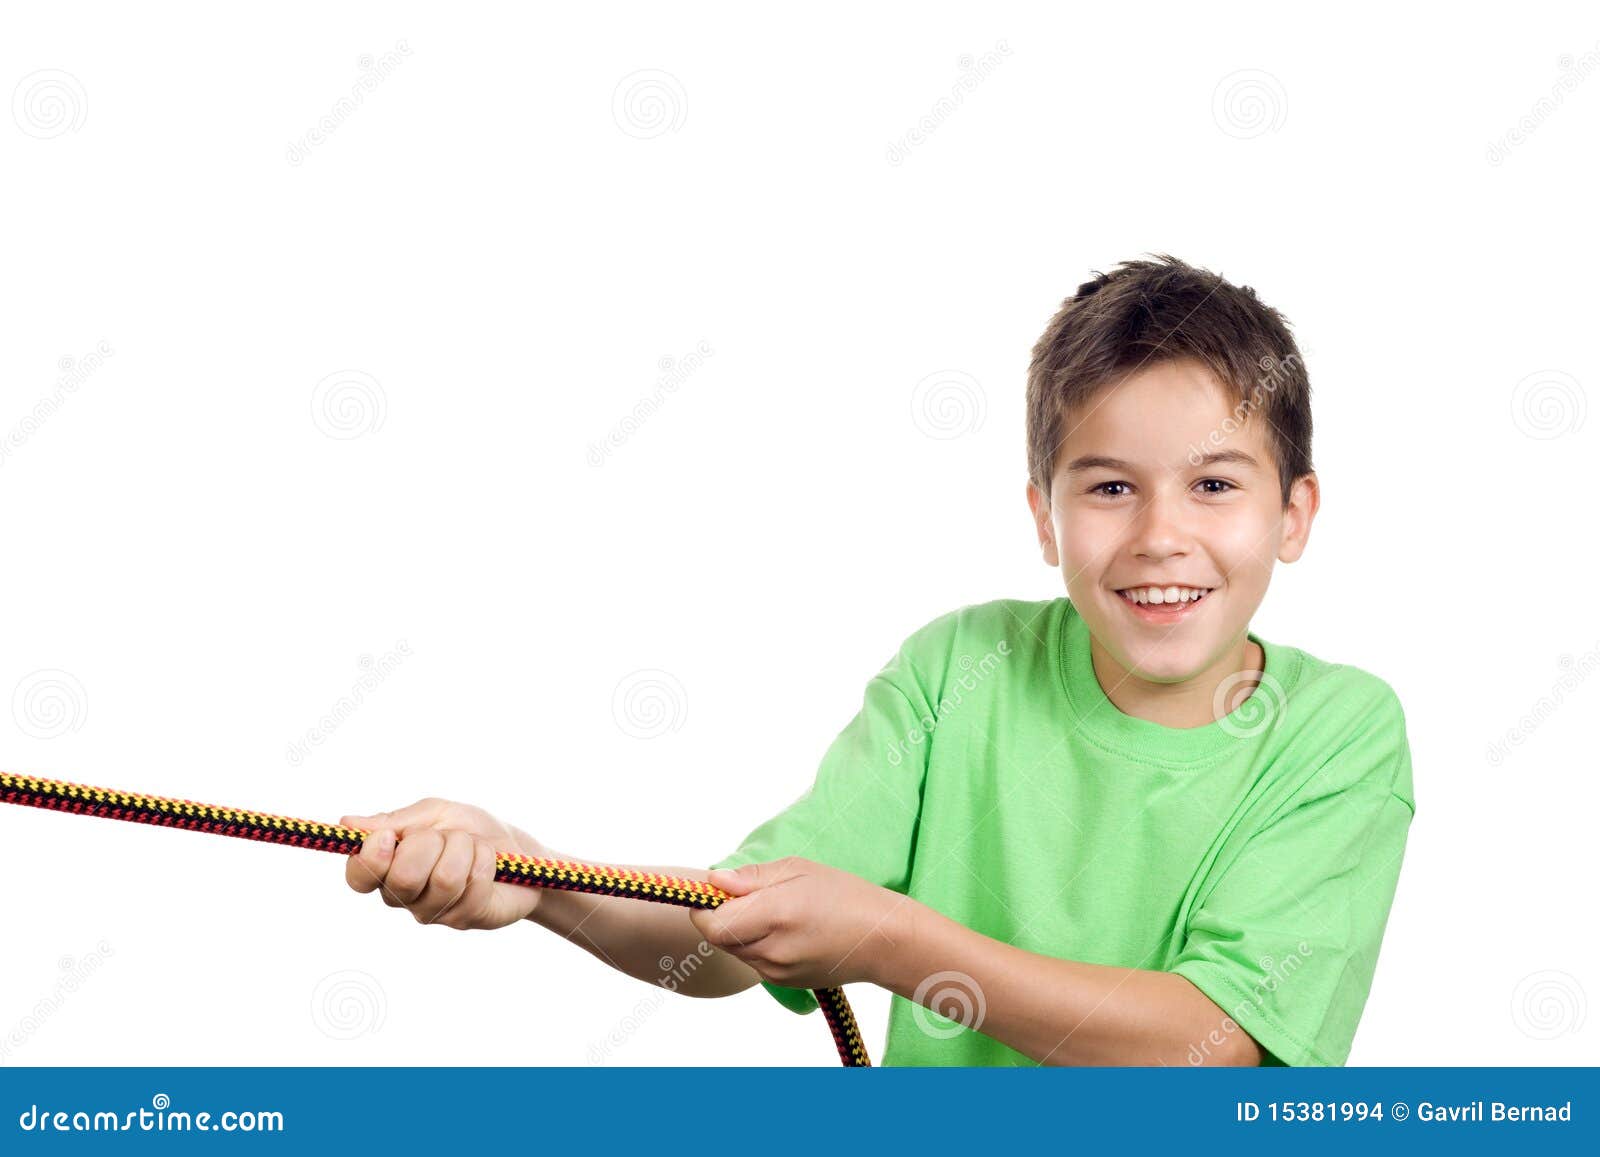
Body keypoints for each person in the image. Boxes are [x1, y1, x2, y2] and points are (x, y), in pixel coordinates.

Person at [340, 254, 1415, 1066]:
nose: (1160, 536)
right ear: (1044, 517)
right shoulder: (961, 667)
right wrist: (533, 875)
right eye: (1109, 487)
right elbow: (728, 933)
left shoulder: (1342, 732)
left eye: (1214, 485)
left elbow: (1206, 1045)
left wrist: (891, 940)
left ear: (1294, 512)